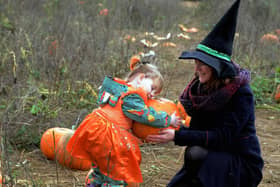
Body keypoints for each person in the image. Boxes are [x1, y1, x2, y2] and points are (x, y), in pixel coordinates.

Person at [147, 0, 264, 186]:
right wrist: (169, 126)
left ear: (218, 68)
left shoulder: (241, 93)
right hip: (215, 156)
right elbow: (197, 131)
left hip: (240, 163)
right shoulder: (201, 89)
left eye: (203, 64)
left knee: (197, 153)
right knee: (194, 153)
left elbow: (223, 137)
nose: (197, 68)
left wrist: (177, 136)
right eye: (196, 62)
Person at [66, 55, 181, 187]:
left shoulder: (116, 88)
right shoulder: (133, 95)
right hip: (109, 133)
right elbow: (145, 115)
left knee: (101, 164)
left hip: (94, 127)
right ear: (141, 78)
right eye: (153, 88)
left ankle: (93, 183)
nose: (152, 95)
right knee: (117, 171)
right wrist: (168, 120)